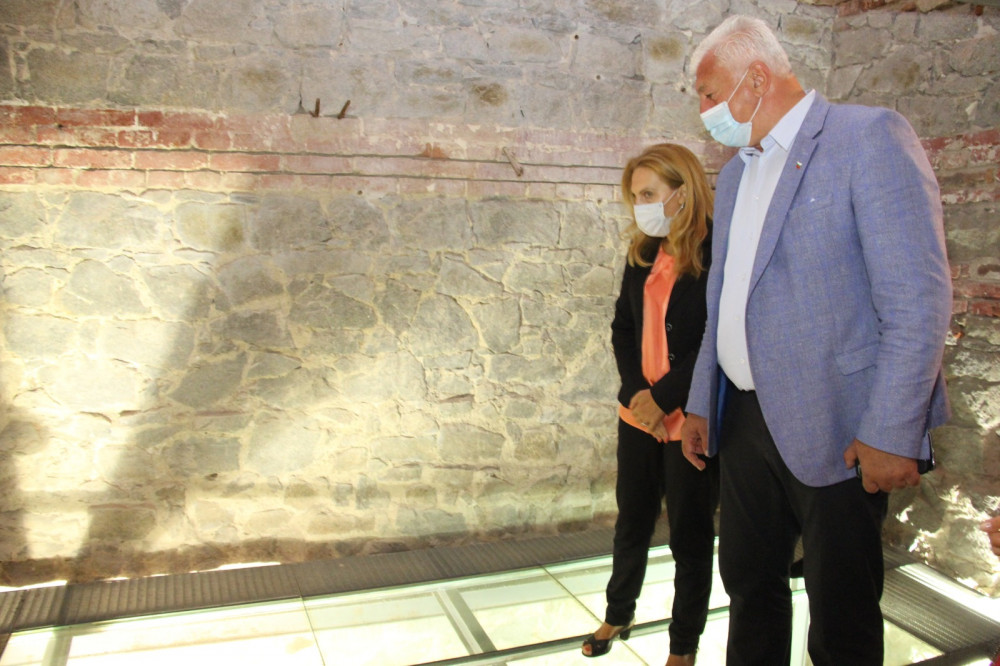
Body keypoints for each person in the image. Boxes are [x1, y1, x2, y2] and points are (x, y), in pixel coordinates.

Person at [679, 15, 952, 666]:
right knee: (748, 587)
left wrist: (892, 432)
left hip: (840, 422)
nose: (705, 112)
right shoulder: (736, 173)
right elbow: (724, 300)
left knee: (841, 612)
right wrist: (700, 402)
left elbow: (916, 301)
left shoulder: (867, 137)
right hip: (744, 421)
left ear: (755, 79)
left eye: (710, 94)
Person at [582, 143, 719, 666]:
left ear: (682, 192)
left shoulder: (716, 254)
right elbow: (623, 327)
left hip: (689, 420)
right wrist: (638, 395)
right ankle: (619, 612)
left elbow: (712, 340)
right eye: (634, 196)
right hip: (638, 417)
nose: (639, 206)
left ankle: (683, 647)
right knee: (632, 522)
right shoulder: (642, 252)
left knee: (690, 536)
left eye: (647, 194)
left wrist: (663, 399)